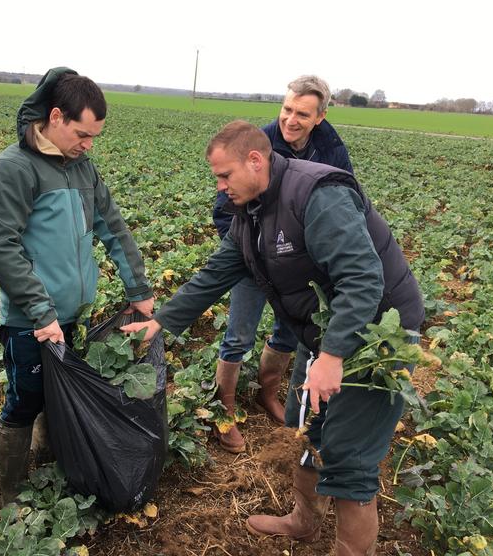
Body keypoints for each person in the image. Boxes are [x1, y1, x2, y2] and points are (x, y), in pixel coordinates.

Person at [122, 121, 424, 554]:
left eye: (225, 175)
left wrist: (333, 356)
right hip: (323, 331)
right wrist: (161, 322)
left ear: (255, 160)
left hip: (378, 335)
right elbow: (217, 272)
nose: (220, 186)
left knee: (349, 459)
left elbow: (362, 280)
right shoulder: (251, 212)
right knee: (305, 426)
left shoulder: (317, 195)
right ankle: (304, 520)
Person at [0, 67, 154, 506]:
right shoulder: (12, 169)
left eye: (94, 136)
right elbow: (0, 248)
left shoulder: (82, 168)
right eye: (82, 133)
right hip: (28, 320)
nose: (88, 145)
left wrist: (139, 289)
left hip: (71, 313)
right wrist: (41, 313)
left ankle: (51, 463)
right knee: (25, 401)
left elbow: (112, 227)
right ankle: (11, 496)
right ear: (55, 116)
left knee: (57, 396)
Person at [210, 75, 354, 453]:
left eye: (302, 114)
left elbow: (344, 207)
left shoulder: (332, 151)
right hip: (253, 259)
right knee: (239, 333)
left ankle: (267, 392)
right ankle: (224, 409)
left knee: (290, 332)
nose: (291, 119)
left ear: (320, 117)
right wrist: (252, 248)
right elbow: (224, 209)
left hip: (300, 268)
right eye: (287, 109)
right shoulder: (256, 144)